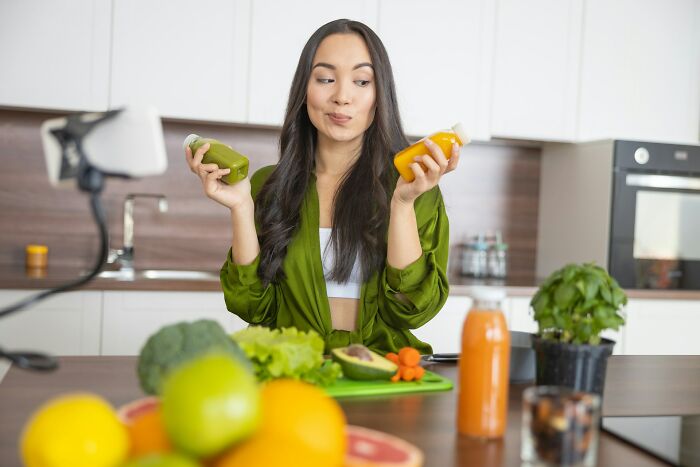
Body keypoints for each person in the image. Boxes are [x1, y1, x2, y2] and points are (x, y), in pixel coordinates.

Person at [186, 19, 460, 354]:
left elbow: (412, 309)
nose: (342, 97)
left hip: (382, 374)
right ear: (305, 89)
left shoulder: (413, 186)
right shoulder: (267, 186)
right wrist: (242, 207)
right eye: (326, 79)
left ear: (379, 95)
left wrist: (401, 205)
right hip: (295, 372)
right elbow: (254, 308)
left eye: (361, 81)